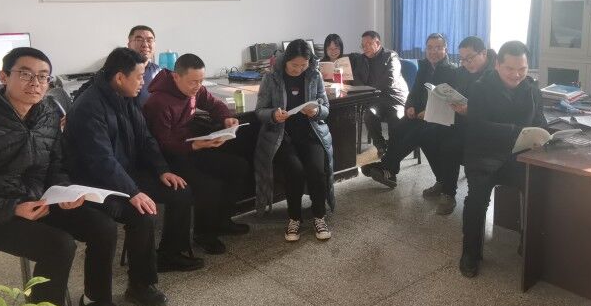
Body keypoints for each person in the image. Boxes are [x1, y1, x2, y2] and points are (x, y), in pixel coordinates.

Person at [0, 47, 127, 306]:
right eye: (25, 74)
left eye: (43, 77)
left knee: (103, 226)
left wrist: (64, 191)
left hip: (40, 199)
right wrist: (14, 208)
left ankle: (94, 302)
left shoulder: (48, 111)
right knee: (58, 245)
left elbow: (56, 165)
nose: (35, 83)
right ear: (3, 76)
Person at [65, 48, 200, 306]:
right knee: (142, 214)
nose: (143, 82)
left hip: (124, 172)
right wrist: (133, 191)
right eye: (139, 76)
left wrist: (162, 170)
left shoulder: (126, 97)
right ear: (119, 78)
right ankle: (140, 285)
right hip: (96, 183)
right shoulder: (89, 107)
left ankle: (169, 254)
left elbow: (146, 138)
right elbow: (101, 160)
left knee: (180, 190)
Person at [143, 53, 251, 255]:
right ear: (176, 77)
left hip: (191, 147)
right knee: (209, 185)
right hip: (168, 159)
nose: (198, 86)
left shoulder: (195, 89)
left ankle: (223, 221)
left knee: (238, 166)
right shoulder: (158, 102)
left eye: (201, 81)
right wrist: (195, 146)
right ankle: (204, 234)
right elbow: (162, 143)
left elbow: (214, 104)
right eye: (193, 82)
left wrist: (226, 118)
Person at [460, 41, 547, 278]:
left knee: (537, 189)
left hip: (518, 156)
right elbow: (478, 126)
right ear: (497, 64)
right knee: (477, 199)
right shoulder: (480, 87)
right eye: (510, 68)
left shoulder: (531, 88)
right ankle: (470, 252)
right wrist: (516, 131)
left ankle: (528, 243)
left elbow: (539, 121)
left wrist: (544, 136)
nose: (516, 74)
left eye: (522, 69)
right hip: (484, 155)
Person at [254, 39, 335, 242]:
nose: (299, 69)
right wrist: (274, 115)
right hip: (282, 136)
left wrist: (316, 111)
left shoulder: (314, 75)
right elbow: (260, 111)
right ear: (286, 61)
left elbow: (326, 108)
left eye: (303, 65)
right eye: (294, 65)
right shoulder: (271, 77)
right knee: (295, 171)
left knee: (317, 171)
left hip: (311, 133)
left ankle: (319, 216)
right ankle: (294, 218)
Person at [361, 32, 456, 192]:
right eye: (430, 48)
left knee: (418, 133)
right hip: (421, 115)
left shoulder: (452, 71)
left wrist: (428, 112)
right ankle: (389, 171)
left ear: (446, 50)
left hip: (441, 118)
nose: (433, 51)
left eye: (438, 48)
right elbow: (414, 92)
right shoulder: (424, 67)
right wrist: (410, 106)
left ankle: (387, 167)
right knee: (400, 126)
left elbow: (449, 101)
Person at [420, 36, 497, 215]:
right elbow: (455, 95)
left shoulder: (495, 74)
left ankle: (448, 193)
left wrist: (470, 111)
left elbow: (494, 110)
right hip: (459, 120)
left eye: (469, 58)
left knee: (450, 145)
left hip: (482, 128)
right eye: (462, 59)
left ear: (483, 53)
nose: (465, 63)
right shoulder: (461, 72)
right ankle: (442, 180)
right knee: (426, 134)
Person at [349, 30, 408, 154]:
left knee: (395, 117)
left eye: (368, 44)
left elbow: (390, 79)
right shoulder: (361, 59)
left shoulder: (391, 56)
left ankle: (393, 148)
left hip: (394, 97)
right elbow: (356, 78)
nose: (365, 48)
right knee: (369, 114)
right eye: (363, 45)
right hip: (375, 99)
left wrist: (369, 90)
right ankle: (381, 146)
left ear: (378, 43)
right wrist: (366, 91)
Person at [126, 25, 160, 106]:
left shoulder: (159, 72)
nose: (145, 45)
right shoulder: (119, 70)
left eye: (150, 40)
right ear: (129, 45)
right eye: (139, 40)